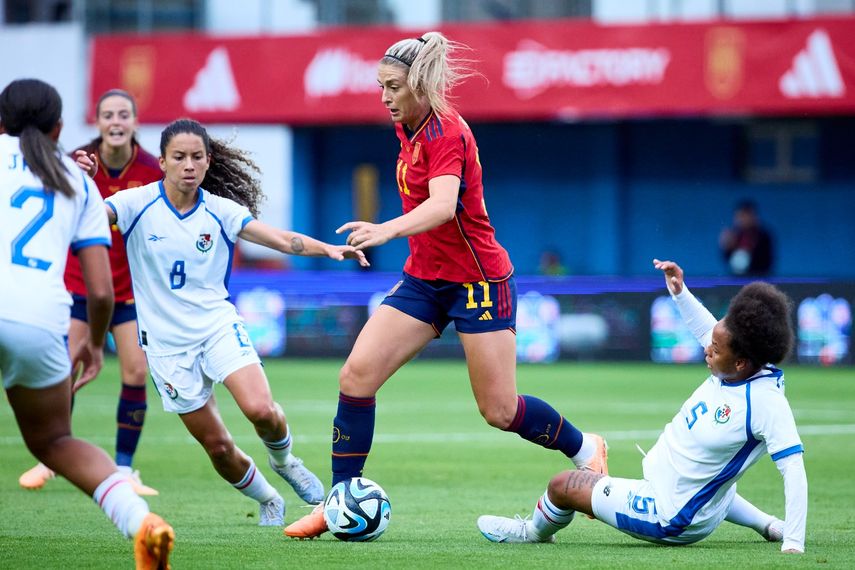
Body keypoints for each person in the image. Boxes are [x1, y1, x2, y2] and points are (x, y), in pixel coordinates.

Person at [283, 31, 608, 539]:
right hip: (424, 278)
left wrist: (385, 228)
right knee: (355, 377)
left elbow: (441, 205)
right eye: (380, 86)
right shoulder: (407, 126)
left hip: (477, 280)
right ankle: (338, 501)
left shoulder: (446, 133)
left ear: (418, 86)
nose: (384, 96)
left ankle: (585, 447)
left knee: (499, 410)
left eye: (393, 86)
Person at [99, 117, 368, 527]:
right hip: (167, 347)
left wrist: (326, 249)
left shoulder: (221, 211)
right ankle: (269, 498)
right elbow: (94, 216)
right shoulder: (135, 204)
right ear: (162, 162)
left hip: (217, 327)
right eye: (179, 157)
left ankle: (285, 461)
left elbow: (281, 239)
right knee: (219, 448)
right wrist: (80, 188)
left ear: (208, 162)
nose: (188, 165)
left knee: (261, 410)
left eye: (196, 157)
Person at [476, 258, 807, 554]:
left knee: (561, 486)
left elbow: (793, 470)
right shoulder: (739, 363)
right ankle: (766, 524)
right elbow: (708, 330)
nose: (708, 349)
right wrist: (679, 292)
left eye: (716, 349)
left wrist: (794, 541)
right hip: (701, 497)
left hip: (668, 513)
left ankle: (533, 532)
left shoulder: (765, 403)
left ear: (740, 363)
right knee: (716, 488)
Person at [0, 78, 173, 569]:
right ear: (60, 128)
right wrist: (95, 346)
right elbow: (100, 290)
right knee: (55, 440)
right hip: (40, 317)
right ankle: (142, 523)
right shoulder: (77, 180)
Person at [18, 89, 161, 495]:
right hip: (80, 286)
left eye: (124, 115)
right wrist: (69, 170)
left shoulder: (154, 168)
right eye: (108, 115)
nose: (116, 122)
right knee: (64, 371)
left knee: (136, 372)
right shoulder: (71, 162)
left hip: (130, 292)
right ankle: (50, 458)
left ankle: (125, 469)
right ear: (97, 122)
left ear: (134, 122)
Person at [719, 200, 774, 276]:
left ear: (753, 216)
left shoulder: (763, 236)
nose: (740, 220)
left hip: (759, 278)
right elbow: (730, 262)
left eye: (743, 216)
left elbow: (766, 262)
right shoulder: (735, 235)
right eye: (738, 216)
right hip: (737, 279)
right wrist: (727, 248)